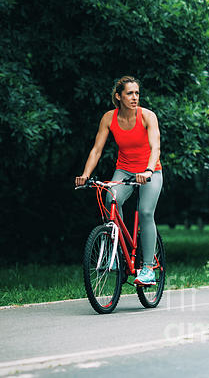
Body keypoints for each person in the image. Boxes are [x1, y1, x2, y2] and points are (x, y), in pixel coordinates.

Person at [76, 76, 163, 285]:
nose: (135, 98)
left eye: (137, 93)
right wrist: (85, 175)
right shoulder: (109, 118)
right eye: (130, 93)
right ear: (119, 96)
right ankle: (118, 251)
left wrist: (149, 170)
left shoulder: (147, 116)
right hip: (124, 170)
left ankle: (149, 268)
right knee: (110, 201)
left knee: (145, 212)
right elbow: (97, 150)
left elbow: (155, 148)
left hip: (150, 171)